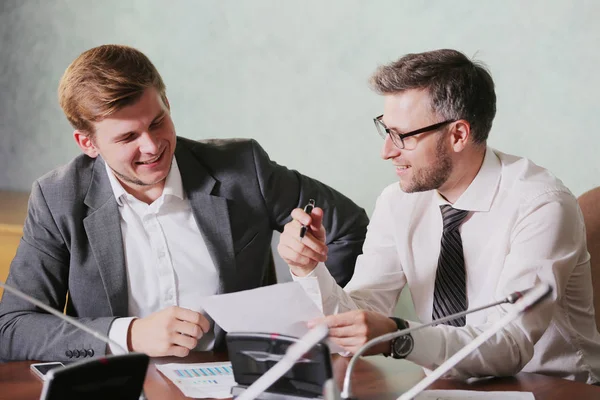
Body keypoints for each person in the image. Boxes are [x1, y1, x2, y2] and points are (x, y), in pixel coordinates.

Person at [0, 44, 369, 362]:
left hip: (245, 381)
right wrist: (128, 335)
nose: (152, 146)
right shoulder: (57, 198)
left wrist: (317, 319)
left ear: (167, 103)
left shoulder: (243, 168)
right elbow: (13, 327)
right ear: (88, 144)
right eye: (128, 136)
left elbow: (348, 228)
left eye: (158, 122)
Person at [278, 49, 600, 383]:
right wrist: (308, 268)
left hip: (552, 388)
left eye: (402, 136)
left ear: (458, 134)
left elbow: (510, 344)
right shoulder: (397, 202)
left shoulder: (541, 204)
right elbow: (358, 320)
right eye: (385, 130)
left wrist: (397, 335)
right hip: (446, 388)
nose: (386, 151)